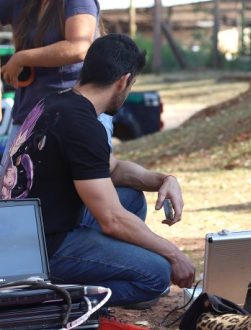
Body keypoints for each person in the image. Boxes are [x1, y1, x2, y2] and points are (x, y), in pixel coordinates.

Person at [0, 34, 195, 307]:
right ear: (123, 81)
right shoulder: (81, 125)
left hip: (21, 233)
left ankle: (95, 268)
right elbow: (112, 220)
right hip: (39, 249)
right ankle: (51, 294)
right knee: (156, 276)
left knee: (131, 197)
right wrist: (174, 255)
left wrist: (164, 179)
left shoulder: (56, 102)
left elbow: (112, 169)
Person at [0, 0, 113, 149]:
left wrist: (21, 58)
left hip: (77, 116)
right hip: (28, 116)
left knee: (88, 171)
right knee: (12, 173)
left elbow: (79, 47)